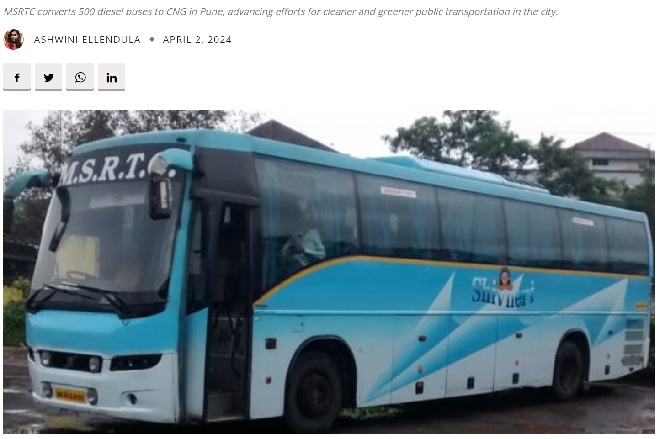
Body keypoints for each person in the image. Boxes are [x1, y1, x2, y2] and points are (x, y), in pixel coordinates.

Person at [280, 201, 325, 275]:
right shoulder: (293, 236)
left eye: (306, 212)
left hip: (312, 271)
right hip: (295, 271)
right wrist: (289, 254)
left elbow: (322, 255)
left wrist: (304, 250)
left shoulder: (314, 234)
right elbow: (282, 257)